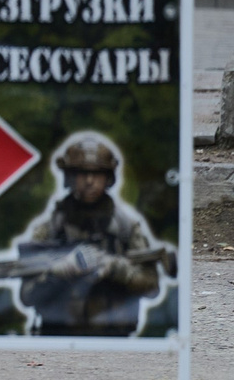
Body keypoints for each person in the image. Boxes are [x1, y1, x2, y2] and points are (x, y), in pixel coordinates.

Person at [12, 134, 166, 336]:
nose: (90, 181)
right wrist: (56, 274)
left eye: (98, 174)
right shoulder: (50, 229)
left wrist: (115, 268)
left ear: (108, 178)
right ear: (70, 177)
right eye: (81, 173)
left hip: (115, 339)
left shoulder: (126, 227)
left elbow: (152, 288)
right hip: (57, 337)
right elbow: (27, 296)